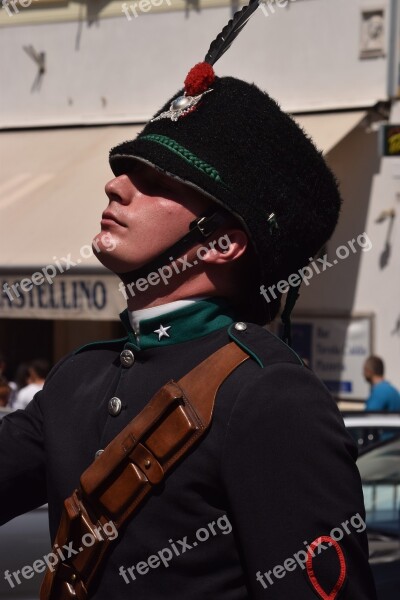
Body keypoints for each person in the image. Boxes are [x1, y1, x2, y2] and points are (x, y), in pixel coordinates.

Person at [0, 3, 376, 599]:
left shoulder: (268, 396)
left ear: (222, 242)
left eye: (156, 182)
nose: (115, 183)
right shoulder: (78, 378)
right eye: (126, 168)